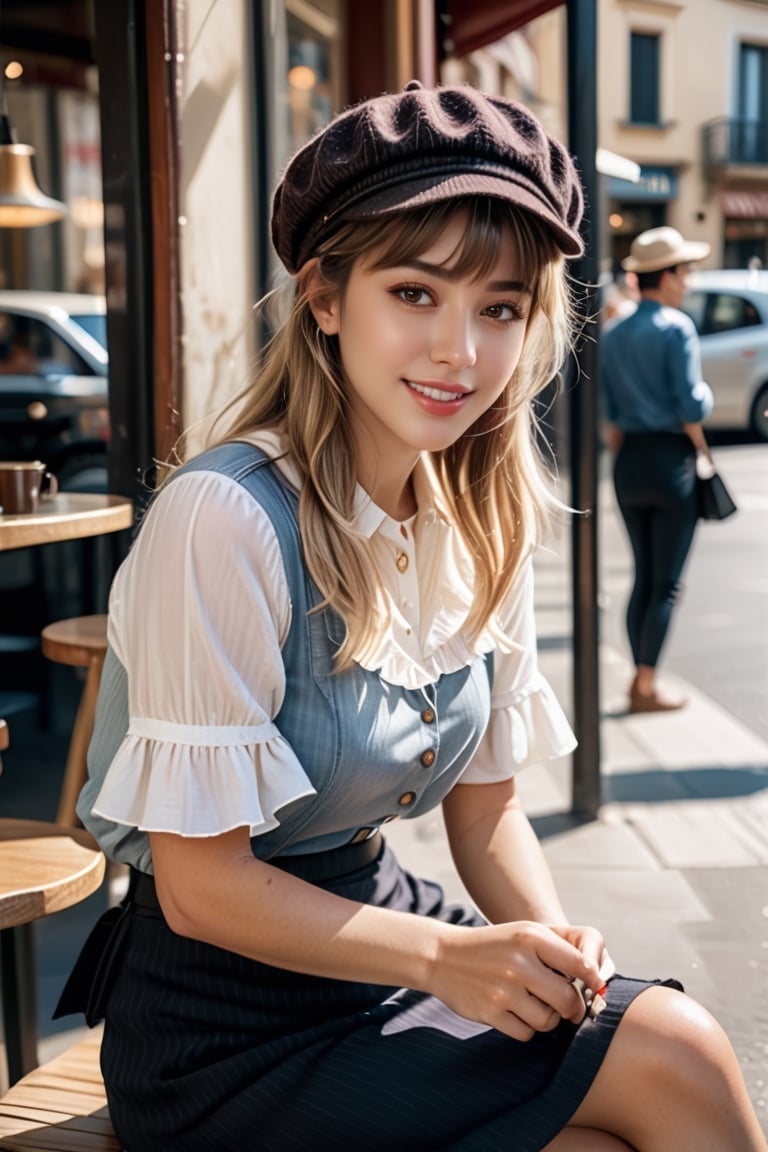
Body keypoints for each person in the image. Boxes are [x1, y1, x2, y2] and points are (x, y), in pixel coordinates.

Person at [56, 85, 766, 1152]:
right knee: (675, 1058)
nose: (461, 353)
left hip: (383, 930)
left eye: (500, 307)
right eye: (415, 291)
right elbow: (201, 889)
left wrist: (544, 935)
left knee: (656, 1069)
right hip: (218, 1021)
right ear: (326, 297)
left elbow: (485, 816)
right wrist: (450, 962)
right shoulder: (226, 517)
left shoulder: (481, 515)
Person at [601, 226, 715, 714]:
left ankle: (638, 676)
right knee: (666, 581)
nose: (688, 280)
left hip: (629, 462)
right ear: (666, 276)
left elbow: (606, 413)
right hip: (672, 463)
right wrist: (707, 397)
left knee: (643, 575)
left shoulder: (613, 331)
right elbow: (692, 405)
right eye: (685, 271)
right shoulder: (676, 326)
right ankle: (646, 684)